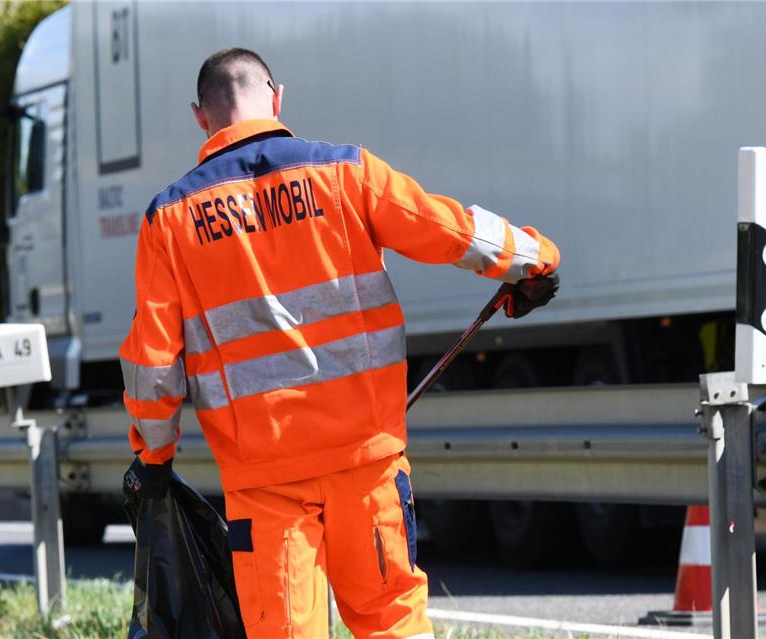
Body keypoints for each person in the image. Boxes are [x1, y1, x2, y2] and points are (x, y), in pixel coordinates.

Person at [120, 48, 560, 639]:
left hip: (265, 479)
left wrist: (154, 456)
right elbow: (445, 228)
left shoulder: (169, 220)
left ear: (201, 117)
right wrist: (533, 259)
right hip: (365, 460)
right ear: (277, 99)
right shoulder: (345, 172)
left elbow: (153, 367)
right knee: (390, 621)